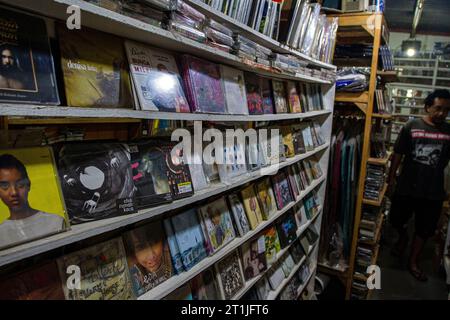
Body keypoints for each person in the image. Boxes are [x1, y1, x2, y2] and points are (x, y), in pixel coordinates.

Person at [387, 89, 450, 281]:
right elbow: (398, 154)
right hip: (407, 185)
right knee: (396, 219)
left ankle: (413, 261)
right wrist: (391, 180)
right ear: (427, 107)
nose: (442, 113)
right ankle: (403, 237)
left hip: (433, 190)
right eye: (438, 108)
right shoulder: (411, 126)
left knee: (425, 228)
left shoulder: (449, 131)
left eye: (446, 110)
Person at [0, 154, 65, 248]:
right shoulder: (1, 233)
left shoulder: (55, 222)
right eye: (5, 186)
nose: (14, 192)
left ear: (28, 185)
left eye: (20, 184)